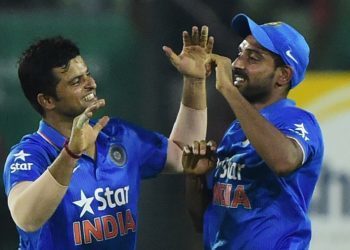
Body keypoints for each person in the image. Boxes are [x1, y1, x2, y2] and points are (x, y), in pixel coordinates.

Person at [3, 26, 213, 250]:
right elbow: (26, 218)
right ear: (47, 100)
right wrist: (70, 153)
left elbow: (183, 154)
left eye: (88, 74)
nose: (91, 84)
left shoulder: (117, 136)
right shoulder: (31, 154)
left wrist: (195, 82)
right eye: (76, 82)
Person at [182, 14, 324, 249]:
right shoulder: (238, 129)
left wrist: (228, 89)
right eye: (240, 53)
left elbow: (284, 161)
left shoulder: (299, 121)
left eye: (253, 58)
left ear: (283, 75)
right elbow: (204, 221)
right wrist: (195, 177)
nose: (238, 64)